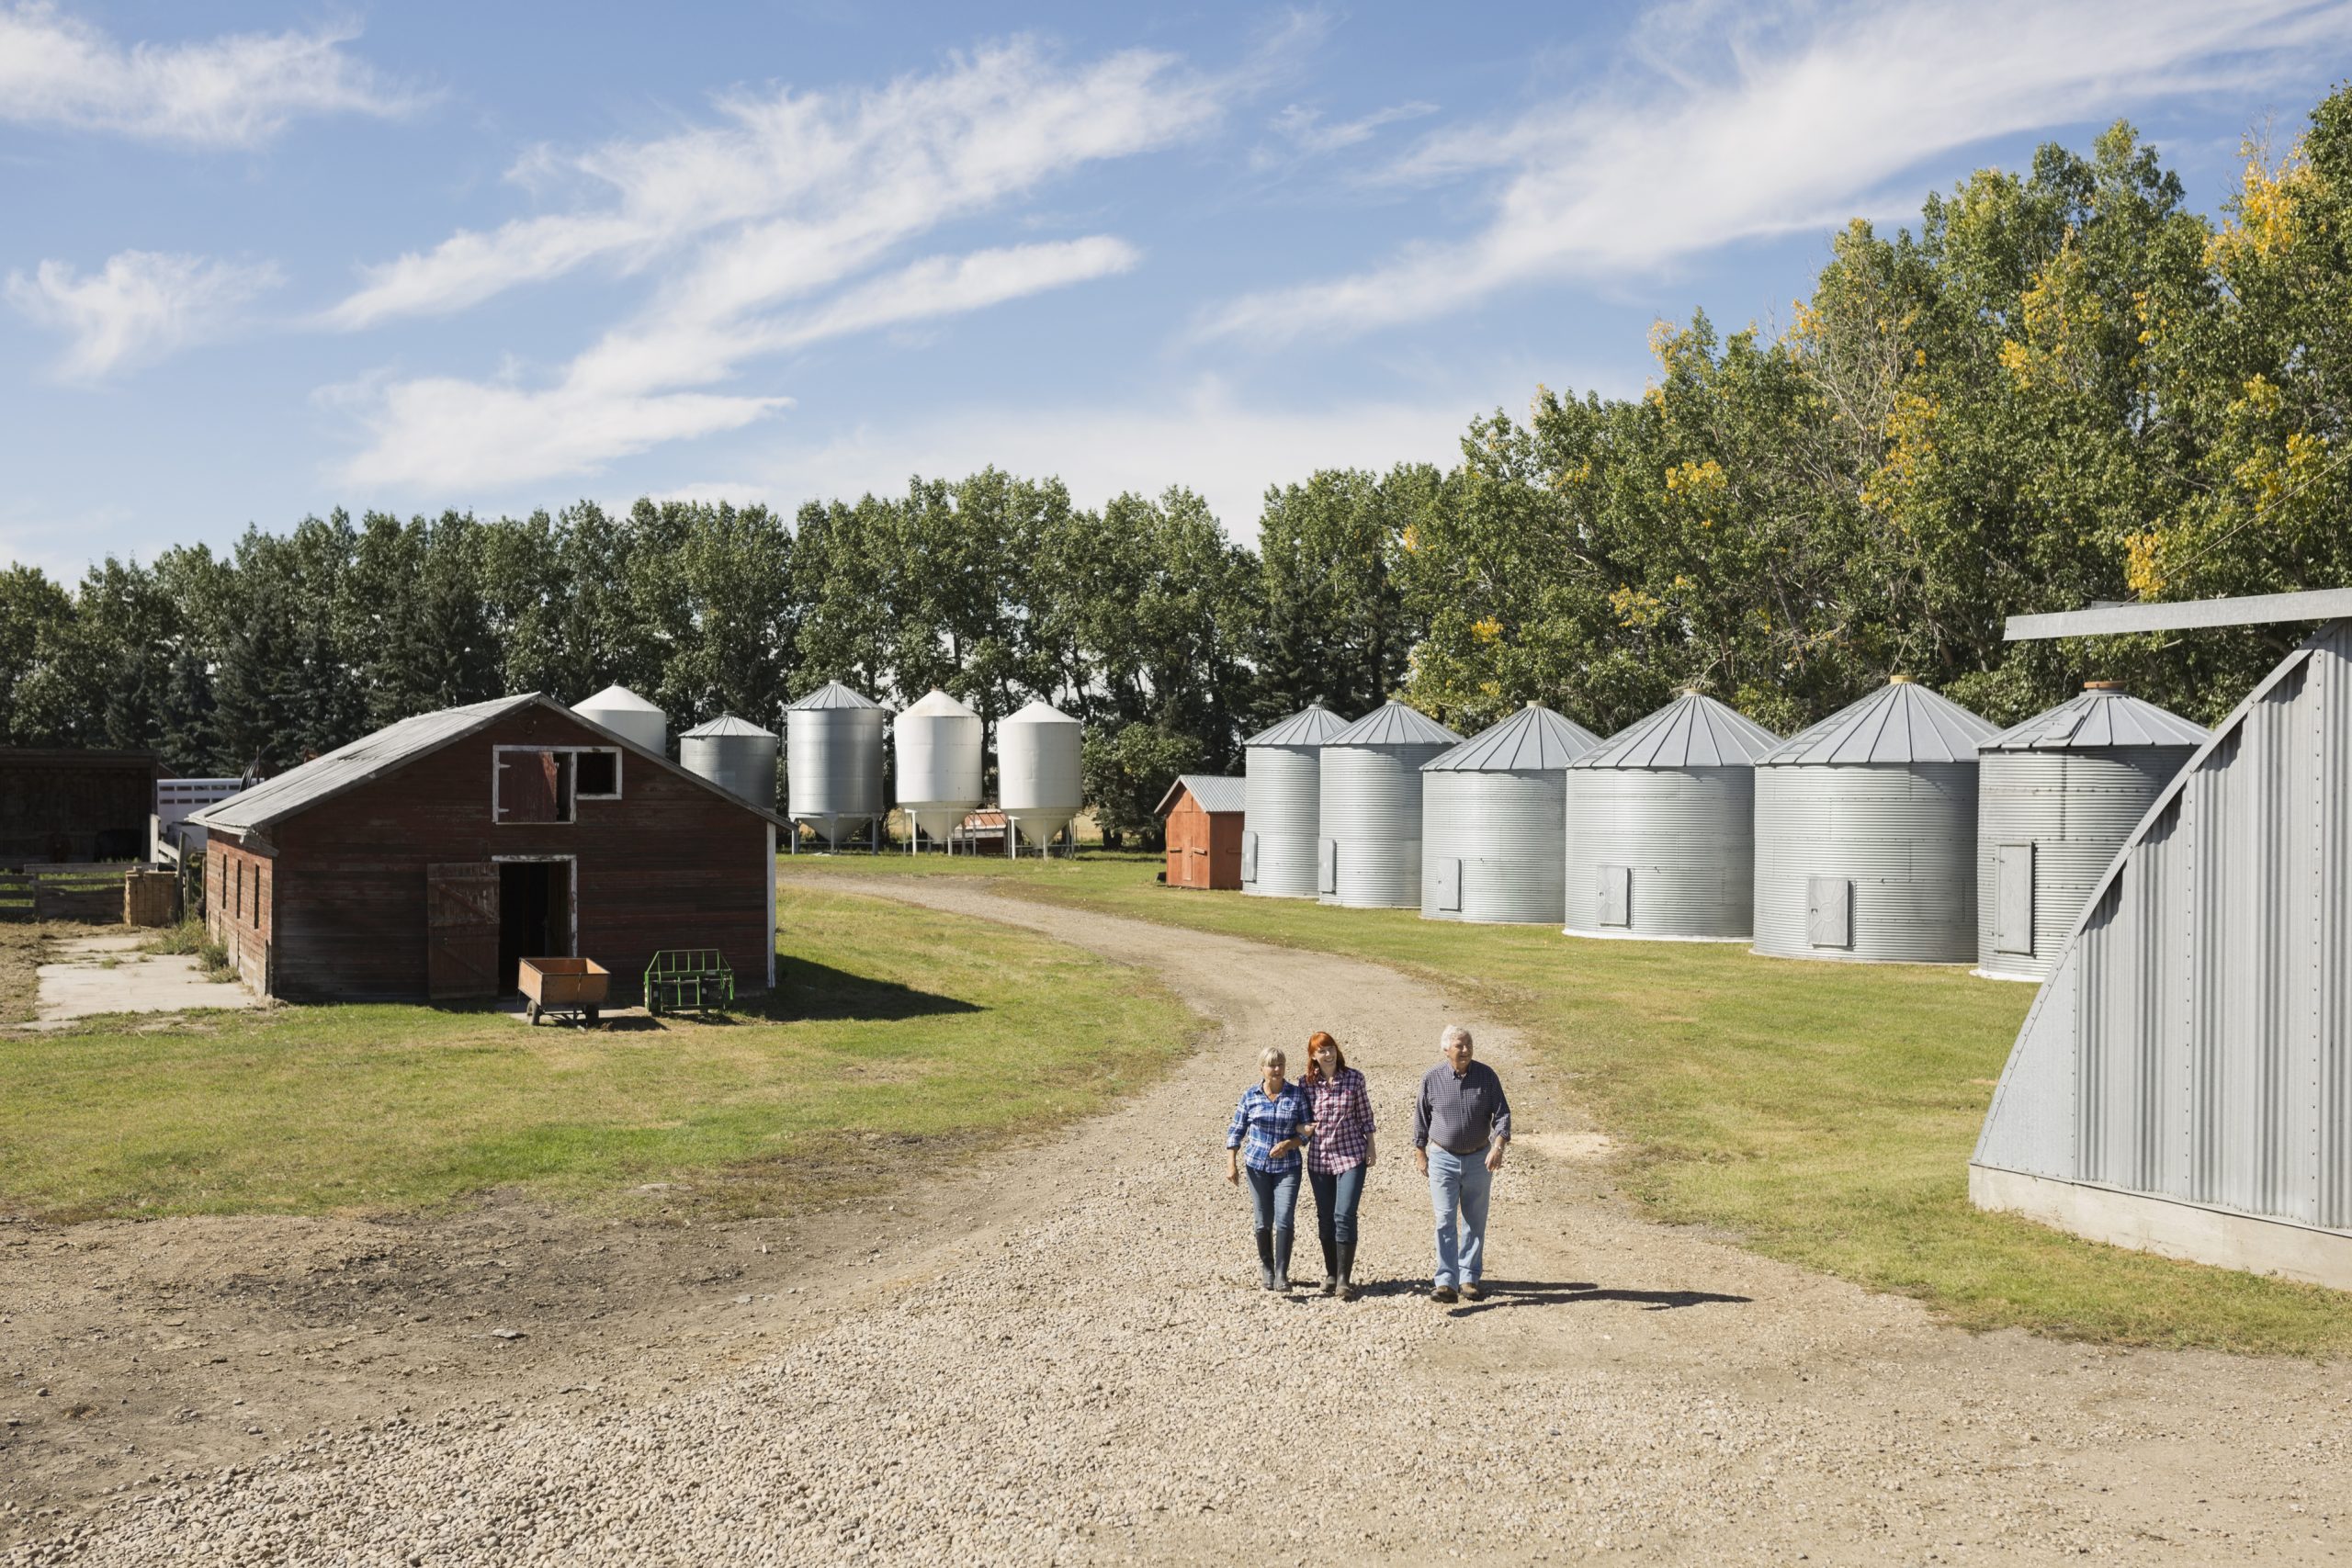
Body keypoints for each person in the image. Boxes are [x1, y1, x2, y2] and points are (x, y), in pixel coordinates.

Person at [1411, 1024, 1510, 1304]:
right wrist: (1420, 1152)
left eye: (1468, 1044)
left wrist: (1498, 1146)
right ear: (1446, 1049)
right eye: (1459, 1045)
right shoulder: (1431, 1078)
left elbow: (1502, 1115)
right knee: (1444, 1218)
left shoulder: (1486, 1076)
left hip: (1479, 1158)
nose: (1465, 1050)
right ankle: (1445, 1281)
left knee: (1474, 1220)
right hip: (1442, 1157)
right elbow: (1421, 1117)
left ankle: (1469, 1278)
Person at [1225, 1045, 1313, 1291]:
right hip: (1257, 1167)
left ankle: (1282, 1274)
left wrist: (1289, 1143)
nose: (1276, 1069)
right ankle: (1267, 1268)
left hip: (1288, 1167)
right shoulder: (1250, 1096)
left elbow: (1307, 1131)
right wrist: (1231, 1163)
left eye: (1280, 1064)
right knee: (1263, 1220)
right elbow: (1236, 1130)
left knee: (1284, 1218)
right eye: (1271, 1065)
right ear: (1261, 1068)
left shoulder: (1296, 1095)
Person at [1298, 1031, 1374, 1301]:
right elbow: (1297, 1118)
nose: (1328, 1054)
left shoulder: (1354, 1078)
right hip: (1319, 1159)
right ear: (1313, 1056)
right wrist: (1300, 1129)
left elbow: (1365, 1115)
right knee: (1325, 1217)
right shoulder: (1305, 1084)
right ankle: (1331, 1272)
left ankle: (1344, 1278)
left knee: (1344, 1214)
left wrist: (1371, 1147)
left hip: (1351, 1155)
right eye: (1322, 1051)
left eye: (1331, 1049)